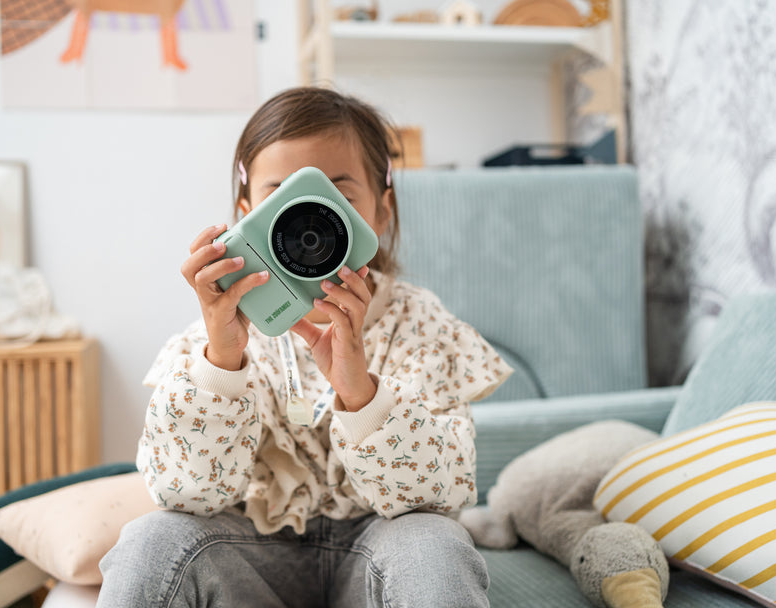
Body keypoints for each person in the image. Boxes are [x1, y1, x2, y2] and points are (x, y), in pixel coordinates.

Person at [98, 87, 513, 608]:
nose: (310, 229)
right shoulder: (206, 339)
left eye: (335, 203)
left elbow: (440, 496)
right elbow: (184, 495)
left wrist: (361, 393)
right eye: (284, 206)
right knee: (150, 539)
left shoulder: (421, 325)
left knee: (435, 544)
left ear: (380, 214)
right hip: (250, 557)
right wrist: (222, 363)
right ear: (246, 215)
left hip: (379, 552)